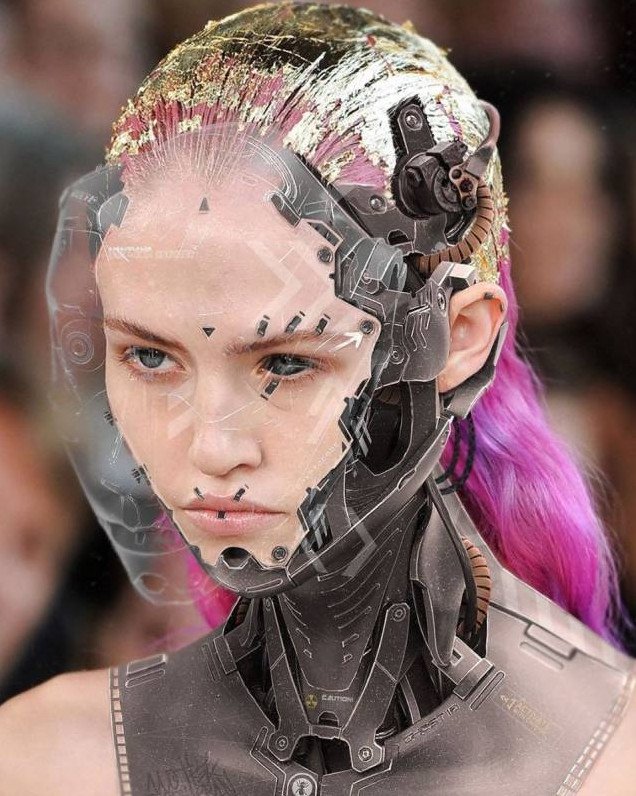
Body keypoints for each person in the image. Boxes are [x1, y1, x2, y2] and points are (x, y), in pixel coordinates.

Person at [0, 4, 634, 794]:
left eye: (288, 364)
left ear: (460, 339)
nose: (211, 446)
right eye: (152, 356)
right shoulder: (46, 757)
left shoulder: (608, 758)